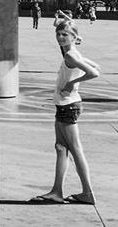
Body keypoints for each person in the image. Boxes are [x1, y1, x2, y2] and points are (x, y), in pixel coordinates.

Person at [30, 17, 100, 205]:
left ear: (73, 36)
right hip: (65, 105)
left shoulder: (71, 55)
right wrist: (75, 40)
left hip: (68, 106)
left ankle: (87, 192)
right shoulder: (72, 53)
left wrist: (71, 82)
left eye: (64, 35)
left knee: (75, 149)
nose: (60, 38)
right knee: (61, 148)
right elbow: (95, 66)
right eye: (58, 34)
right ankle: (57, 191)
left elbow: (95, 73)